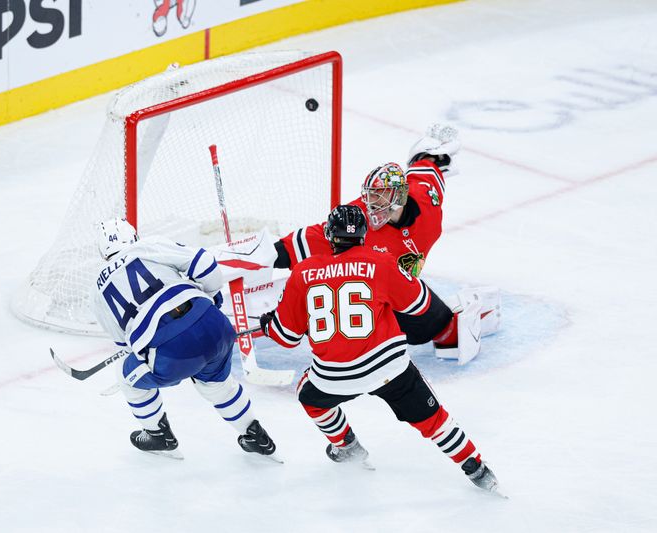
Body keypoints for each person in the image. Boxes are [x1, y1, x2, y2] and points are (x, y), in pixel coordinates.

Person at [259, 205, 500, 493]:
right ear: (363, 234)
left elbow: (286, 337)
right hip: (390, 368)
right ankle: (477, 468)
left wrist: (268, 324)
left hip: (334, 375)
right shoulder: (381, 262)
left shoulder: (303, 272)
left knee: (310, 396)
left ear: (329, 236)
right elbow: (420, 306)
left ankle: (347, 446)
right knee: (434, 421)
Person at [272, 124, 499, 360]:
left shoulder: (426, 201)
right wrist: (268, 255)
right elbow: (305, 243)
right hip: (372, 297)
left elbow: (427, 169)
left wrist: (433, 153)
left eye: (379, 198)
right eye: (369, 196)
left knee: (439, 325)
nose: (371, 206)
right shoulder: (357, 220)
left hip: (399, 287)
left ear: (400, 197)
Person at [91, 217, 277, 460]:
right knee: (217, 384)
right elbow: (205, 265)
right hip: (214, 326)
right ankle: (254, 435)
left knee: (126, 376)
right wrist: (211, 295)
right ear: (133, 237)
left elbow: (124, 345)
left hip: (171, 352)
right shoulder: (149, 245)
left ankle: (158, 435)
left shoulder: (97, 289)